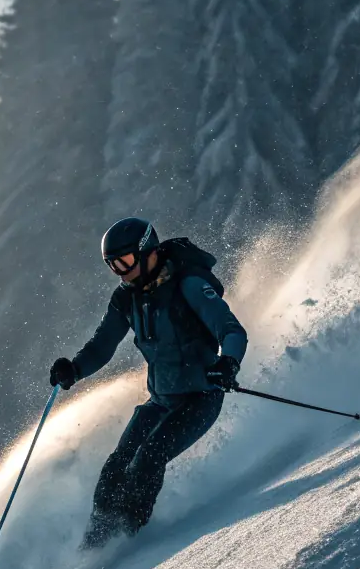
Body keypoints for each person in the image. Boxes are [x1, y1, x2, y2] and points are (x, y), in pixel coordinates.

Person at [49, 217, 247, 548]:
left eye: (124, 261)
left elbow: (231, 330)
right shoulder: (127, 298)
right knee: (115, 467)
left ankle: (125, 538)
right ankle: (93, 545)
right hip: (161, 401)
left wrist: (228, 362)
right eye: (112, 266)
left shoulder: (189, 285)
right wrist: (74, 368)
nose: (121, 272)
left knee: (149, 457)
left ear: (146, 252)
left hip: (201, 397)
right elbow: (102, 345)